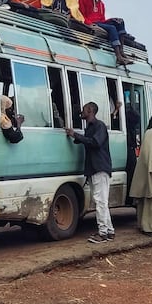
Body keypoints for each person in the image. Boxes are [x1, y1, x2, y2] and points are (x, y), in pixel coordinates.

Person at [65, 102, 115, 243]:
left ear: (90, 110)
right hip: (94, 168)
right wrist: (76, 136)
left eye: (84, 110)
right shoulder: (91, 127)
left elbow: (95, 142)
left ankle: (103, 233)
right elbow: (88, 140)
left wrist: (75, 135)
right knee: (101, 202)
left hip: (100, 168)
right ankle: (109, 231)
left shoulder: (99, 126)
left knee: (100, 202)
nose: (82, 112)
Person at [78, 0, 134, 66]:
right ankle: (118, 57)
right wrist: (90, 24)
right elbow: (81, 15)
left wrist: (112, 20)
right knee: (112, 28)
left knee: (120, 21)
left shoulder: (101, 4)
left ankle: (122, 52)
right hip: (92, 23)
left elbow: (102, 19)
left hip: (101, 23)